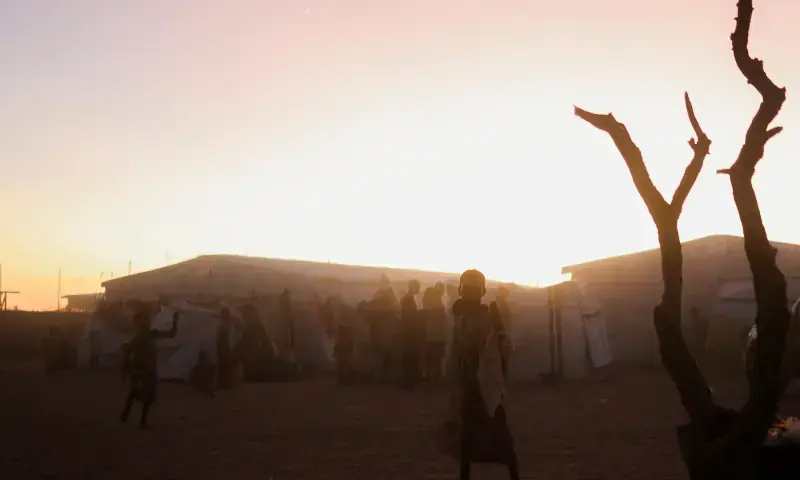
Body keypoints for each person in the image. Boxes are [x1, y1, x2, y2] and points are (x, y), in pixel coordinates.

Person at [447, 269, 519, 480]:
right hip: (472, 383)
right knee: (468, 436)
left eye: (472, 290)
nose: (469, 294)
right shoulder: (461, 316)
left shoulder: (489, 316)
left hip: (484, 384)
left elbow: (501, 347)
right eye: (467, 290)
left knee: (497, 435)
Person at [120, 309, 179, 429]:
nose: (147, 323)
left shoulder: (150, 334)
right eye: (145, 321)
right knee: (147, 395)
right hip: (142, 369)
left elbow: (171, 334)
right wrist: (128, 367)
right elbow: (127, 350)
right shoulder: (140, 337)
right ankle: (141, 418)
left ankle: (132, 408)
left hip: (149, 369)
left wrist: (175, 322)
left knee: (149, 396)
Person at [423, 282, 448, 384]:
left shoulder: (430, 300)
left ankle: (432, 377)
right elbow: (439, 316)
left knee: (432, 357)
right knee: (436, 357)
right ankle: (434, 378)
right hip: (437, 334)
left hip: (432, 333)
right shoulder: (436, 301)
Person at [400, 279, 422, 390]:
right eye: (417, 287)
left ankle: (409, 382)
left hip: (410, 331)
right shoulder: (408, 299)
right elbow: (409, 315)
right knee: (410, 357)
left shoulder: (409, 298)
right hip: (410, 331)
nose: (419, 289)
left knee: (410, 357)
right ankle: (408, 382)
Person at [216, 308, 236, 390]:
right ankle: (224, 383)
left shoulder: (225, 324)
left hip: (225, 346)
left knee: (225, 365)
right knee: (224, 365)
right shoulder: (224, 324)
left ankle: (225, 383)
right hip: (223, 346)